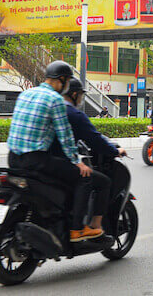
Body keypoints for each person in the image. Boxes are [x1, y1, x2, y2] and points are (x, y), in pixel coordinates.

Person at [6, 61, 101, 242]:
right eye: (66, 82)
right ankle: (77, 229)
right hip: (35, 160)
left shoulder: (26, 94)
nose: (66, 87)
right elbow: (64, 135)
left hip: (12, 159)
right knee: (85, 177)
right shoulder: (55, 99)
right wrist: (77, 162)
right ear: (62, 80)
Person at [50, 78, 125, 236]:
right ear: (75, 94)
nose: (81, 100)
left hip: (42, 161)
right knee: (101, 181)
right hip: (61, 163)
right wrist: (115, 151)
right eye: (81, 96)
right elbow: (95, 139)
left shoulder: (52, 108)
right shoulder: (74, 114)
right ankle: (89, 227)